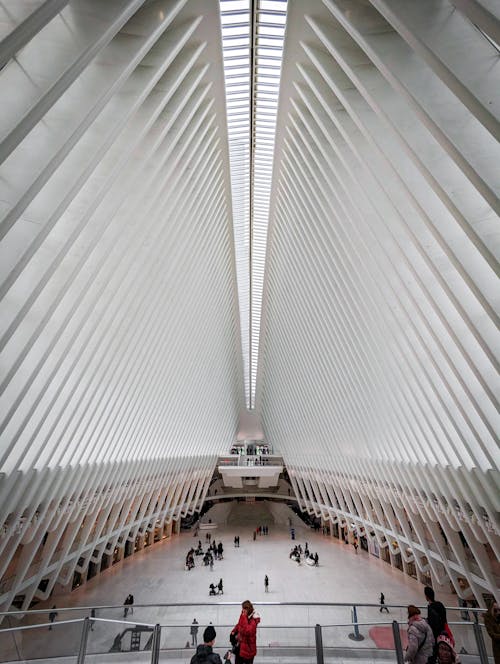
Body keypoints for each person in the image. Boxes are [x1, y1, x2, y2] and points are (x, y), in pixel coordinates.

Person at [231, 600, 260, 664]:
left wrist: (244, 617)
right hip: (240, 646)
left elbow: (248, 631)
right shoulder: (243, 614)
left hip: (248, 648)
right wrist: (234, 631)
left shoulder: (254, 619)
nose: (243, 611)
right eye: (242, 609)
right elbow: (239, 624)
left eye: (244, 609)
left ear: (249, 609)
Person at [425, 586, 447, 662]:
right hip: (442, 633)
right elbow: (444, 619)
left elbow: (432, 624)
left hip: (434, 636)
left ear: (427, 597)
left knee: (432, 657)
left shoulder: (431, 608)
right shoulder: (440, 605)